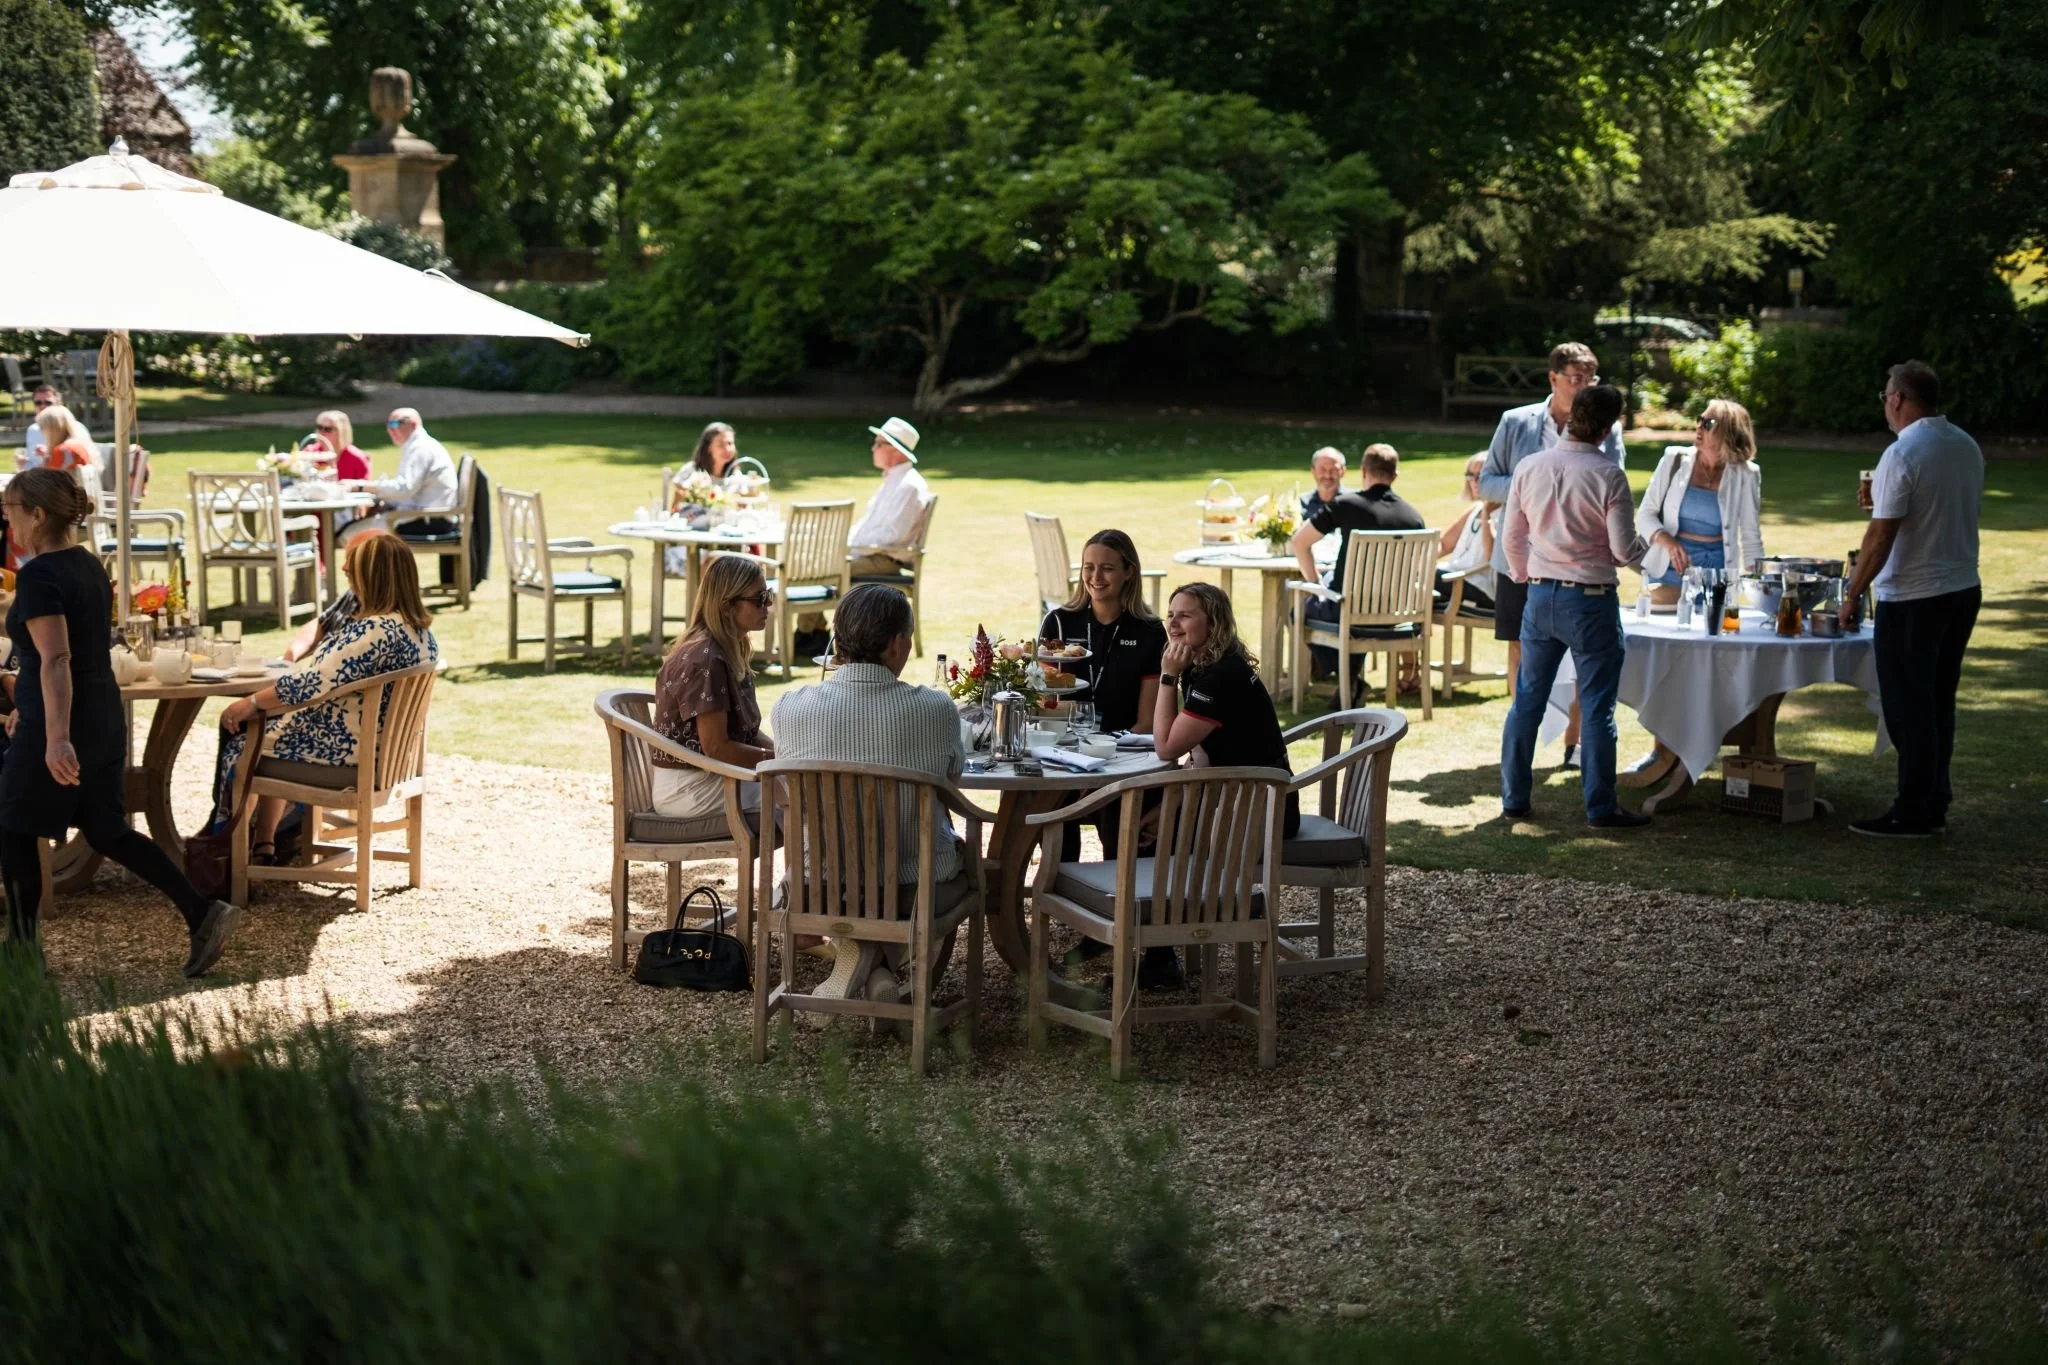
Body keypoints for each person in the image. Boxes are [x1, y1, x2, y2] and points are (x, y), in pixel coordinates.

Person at [0, 469, 239, 975]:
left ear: (37, 514)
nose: (7, 520)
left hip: (61, 725)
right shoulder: (87, 564)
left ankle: (21, 955)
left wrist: (56, 736)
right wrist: (27, 701)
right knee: (107, 828)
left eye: (11, 509)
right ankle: (201, 912)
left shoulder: (41, 576)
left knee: (15, 826)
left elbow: (58, 659)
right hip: (100, 712)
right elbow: (74, 655)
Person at [773, 583, 965, 1007]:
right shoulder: (934, 709)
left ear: (837, 641)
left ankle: (865, 959)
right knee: (965, 866)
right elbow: (953, 782)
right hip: (911, 883)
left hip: (817, 883)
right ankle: (883, 968)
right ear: (898, 644)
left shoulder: (790, 708)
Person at [213, 533, 440, 863]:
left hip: (346, 760)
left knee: (240, 738)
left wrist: (252, 702)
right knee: (265, 730)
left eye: (353, 572)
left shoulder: (372, 630)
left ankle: (226, 855)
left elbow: (311, 681)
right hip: (391, 758)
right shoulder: (421, 633)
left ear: (371, 578)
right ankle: (262, 845)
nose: (348, 577)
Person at [1838, 361, 1982, 839]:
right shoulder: (1964, 445)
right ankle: (1935, 799)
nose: (1885, 403)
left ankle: (1912, 809)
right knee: (1939, 702)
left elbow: (1881, 536)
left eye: (1885, 396)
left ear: (1898, 399)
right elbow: (1930, 509)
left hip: (1914, 596)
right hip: (1962, 588)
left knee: (1908, 708)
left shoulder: (1903, 452)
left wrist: (1852, 593)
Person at [1498, 384, 1649, 830]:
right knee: (1598, 706)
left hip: (1541, 595)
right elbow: (1623, 549)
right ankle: (1601, 808)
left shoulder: (1530, 467)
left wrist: (1528, 576)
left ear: (1570, 418)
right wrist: (1656, 561)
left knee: (1527, 702)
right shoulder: (1608, 475)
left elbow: (1511, 538)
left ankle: (1514, 800)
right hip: (1590, 600)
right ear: (1607, 427)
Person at [1146, 582, 1300, 989]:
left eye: (1185, 615)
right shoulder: (1210, 666)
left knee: (1147, 835)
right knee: (1149, 815)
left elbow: (1165, 747)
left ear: (1212, 623)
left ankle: (1159, 947)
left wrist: (1166, 677)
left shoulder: (1216, 677)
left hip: (1260, 813)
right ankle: (1160, 945)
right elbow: (1202, 756)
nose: (1173, 624)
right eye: (1171, 614)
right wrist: (1170, 806)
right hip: (1240, 800)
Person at [1478, 342, 1625, 766]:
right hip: (1520, 562)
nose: (1581, 387)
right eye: (1575, 379)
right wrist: (1537, 490)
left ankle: (1575, 747)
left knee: (1584, 666)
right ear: (1553, 378)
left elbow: (1607, 484)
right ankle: (1520, 755)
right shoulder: (1515, 421)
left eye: (1588, 380)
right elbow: (1486, 483)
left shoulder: (1606, 428)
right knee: (1522, 658)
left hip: (1580, 564)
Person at [1039, 528, 1166, 865]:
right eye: (1088, 567)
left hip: (1124, 754)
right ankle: (1058, 889)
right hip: (1064, 753)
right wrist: (1078, 766)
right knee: (1041, 799)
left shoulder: (1149, 631)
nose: (1095, 577)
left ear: (1128, 573)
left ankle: (1120, 899)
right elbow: (1044, 705)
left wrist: (1100, 768)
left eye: (1107, 568)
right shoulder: (1058, 623)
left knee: (1120, 801)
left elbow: (1146, 722)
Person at [1288, 442, 1426, 684]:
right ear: (1395, 475)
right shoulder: (1414, 518)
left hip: (1348, 612)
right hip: (1395, 617)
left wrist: (1315, 585)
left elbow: (1299, 542)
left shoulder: (1346, 505)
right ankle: (1349, 679)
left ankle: (1346, 678)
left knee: (1298, 610)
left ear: (1363, 471)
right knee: (1348, 610)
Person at [652, 553, 775, 821]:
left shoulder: (725, 649)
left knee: (805, 783)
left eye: (768, 595)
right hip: (689, 789)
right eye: (759, 599)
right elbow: (716, 748)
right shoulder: (706, 659)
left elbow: (746, 735)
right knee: (804, 791)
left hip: (710, 776)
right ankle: (812, 864)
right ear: (727, 606)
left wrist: (788, 756)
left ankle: (810, 863)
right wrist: (779, 762)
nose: (768, 605)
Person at [797, 416, 932, 650]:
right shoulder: (893, 481)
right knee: (810, 562)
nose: (873, 448)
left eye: (879, 443)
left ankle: (808, 635)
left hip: (883, 560)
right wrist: (843, 543)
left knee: (823, 569)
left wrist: (849, 548)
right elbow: (869, 526)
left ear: (896, 451)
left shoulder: (909, 486)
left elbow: (892, 537)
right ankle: (813, 633)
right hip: (871, 555)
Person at [1636, 398, 1764, 602]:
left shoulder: (1746, 474)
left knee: (1713, 631)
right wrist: (1668, 542)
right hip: (1670, 568)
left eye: (1708, 423)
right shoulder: (1674, 459)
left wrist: (1761, 584)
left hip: (1718, 576)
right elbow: (1645, 515)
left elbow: (1750, 535)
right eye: (1699, 420)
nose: (1699, 427)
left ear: (1728, 432)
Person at [347, 407, 455, 539]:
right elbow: (409, 492)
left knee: (348, 536)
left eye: (395, 424)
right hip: (425, 516)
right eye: (388, 425)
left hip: (428, 521)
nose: (390, 429)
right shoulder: (417, 446)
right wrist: (384, 502)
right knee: (355, 531)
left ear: (413, 424)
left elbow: (404, 489)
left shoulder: (421, 449)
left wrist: (361, 487)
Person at [1435, 453, 1497, 612]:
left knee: (1420, 578)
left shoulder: (1505, 513)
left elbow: (1493, 556)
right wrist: (1417, 561)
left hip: (1482, 587)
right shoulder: (1474, 509)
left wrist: (1486, 515)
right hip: (1456, 578)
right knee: (1412, 576)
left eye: (1480, 475)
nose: (1474, 481)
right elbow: (1444, 544)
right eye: (1470, 475)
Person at [307, 410, 371, 481]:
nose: (322, 433)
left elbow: (365, 486)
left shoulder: (357, 458)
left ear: (342, 432)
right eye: (319, 427)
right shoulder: (310, 452)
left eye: (328, 429)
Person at [1300, 447, 1346, 520]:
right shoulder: (1301, 504)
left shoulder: (1355, 502)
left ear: (1343, 471)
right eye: (1322, 469)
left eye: (1333, 470)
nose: (1327, 475)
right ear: (1313, 472)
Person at [18, 383, 57, 469]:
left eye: (48, 402)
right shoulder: (32, 429)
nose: (42, 406)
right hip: (36, 478)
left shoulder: (70, 428)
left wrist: (49, 456)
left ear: (58, 404)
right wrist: (24, 462)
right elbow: (34, 465)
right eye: (38, 403)